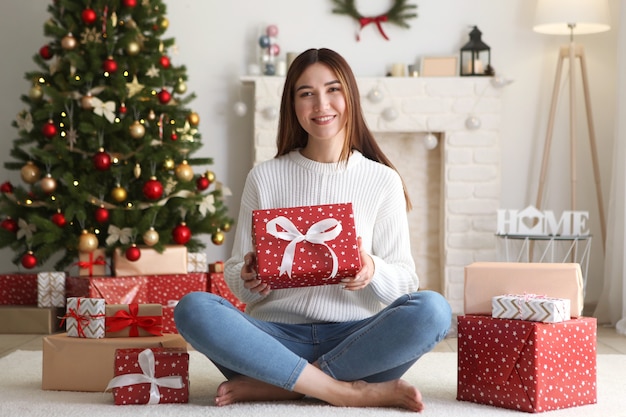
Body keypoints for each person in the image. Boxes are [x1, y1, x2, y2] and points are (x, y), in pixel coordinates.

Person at [174, 48, 452, 412]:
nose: (321, 104)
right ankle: (343, 391)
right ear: (292, 104)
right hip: (274, 339)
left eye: (333, 89)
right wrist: (248, 276)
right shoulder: (265, 177)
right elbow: (235, 280)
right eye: (306, 93)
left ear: (349, 96)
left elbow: (405, 282)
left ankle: (286, 386)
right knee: (193, 308)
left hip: (357, 340)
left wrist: (372, 269)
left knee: (433, 310)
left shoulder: (382, 180)